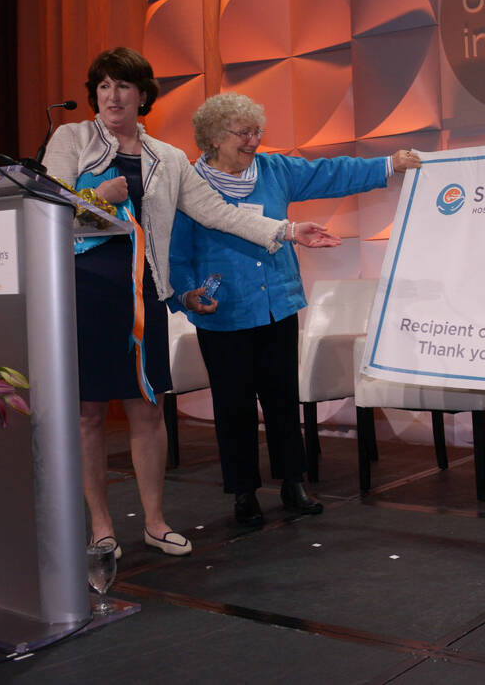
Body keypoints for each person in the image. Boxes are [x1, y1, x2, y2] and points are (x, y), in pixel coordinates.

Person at [44, 47, 332, 558]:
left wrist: (288, 230)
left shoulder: (168, 158)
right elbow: (49, 205)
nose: (112, 95)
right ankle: (101, 527)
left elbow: (219, 212)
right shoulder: (72, 139)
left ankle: (155, 522)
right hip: (86, 290)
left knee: (148, 409)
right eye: (104, 85)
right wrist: (100, 198)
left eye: (123, 86)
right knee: (88, 415)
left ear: (142, 95)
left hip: (143, 292)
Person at [169, 92, 422, 528]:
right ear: (213, 137)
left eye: (257, 132)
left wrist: (388, 164)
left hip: (278, 305)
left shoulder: (274, 170)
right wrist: (186, 295)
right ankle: (244, 492)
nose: (253, 141)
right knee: (233, 407)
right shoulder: (189, 186)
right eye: (243, 133)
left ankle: (293, 483)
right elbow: (176, 253)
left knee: (282, 400)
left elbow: (330, 174)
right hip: (225, 312)